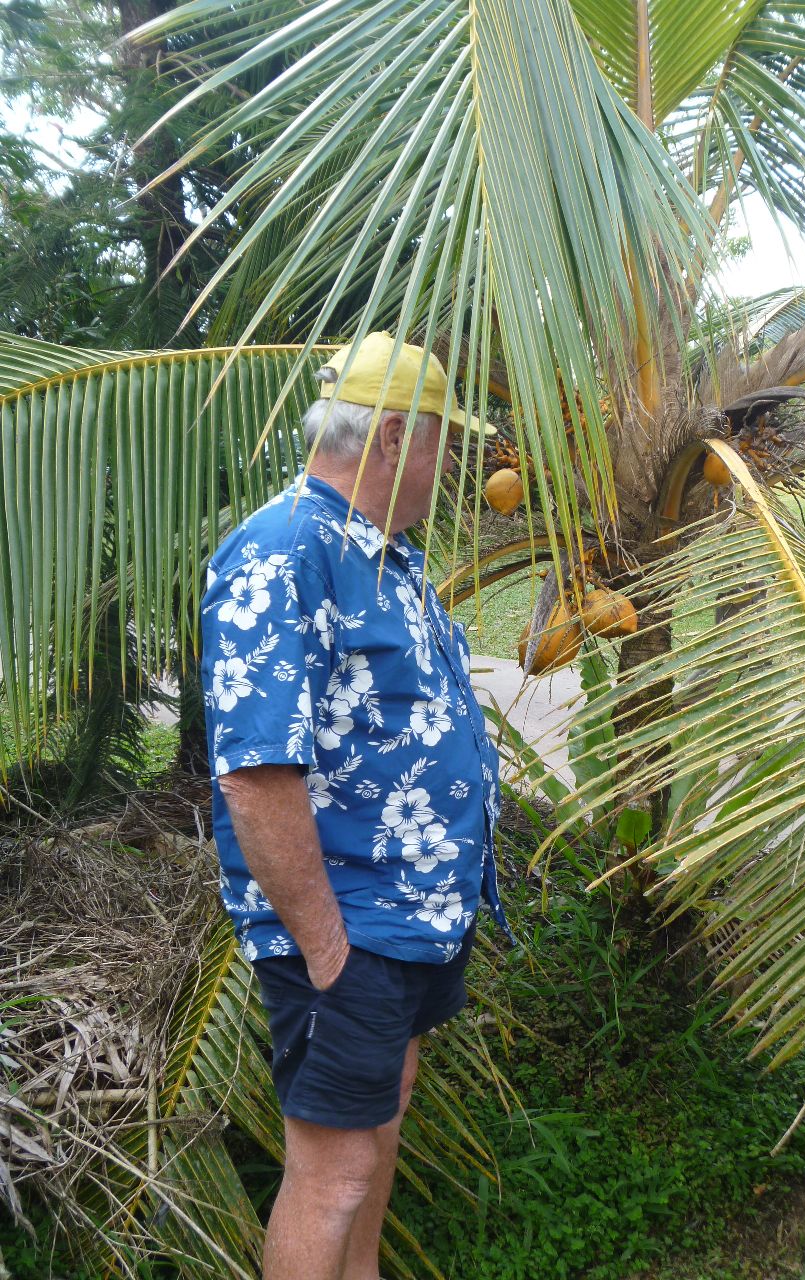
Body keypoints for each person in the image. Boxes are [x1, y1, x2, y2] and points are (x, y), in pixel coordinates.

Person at [199, 332, 509, 1280]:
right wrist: (327, 951)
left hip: (408, 923)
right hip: (348, 928)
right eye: (442, 444)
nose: (450, 465)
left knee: (378, 1134)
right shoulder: (284, 548)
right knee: (332, 1173)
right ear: (392, 440)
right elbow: (256, 774)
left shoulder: (383, 553)